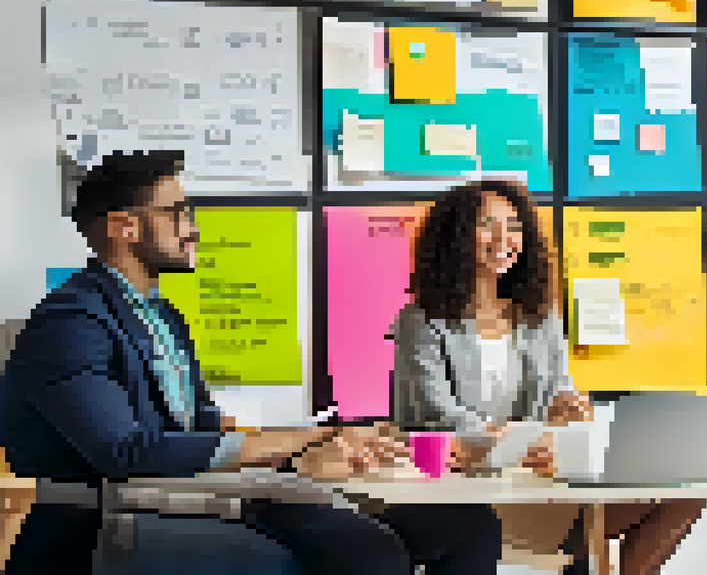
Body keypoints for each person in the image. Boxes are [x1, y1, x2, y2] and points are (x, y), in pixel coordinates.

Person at [0, 150, 505, 575]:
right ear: (124, 227)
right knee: (369, 550)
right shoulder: (70, 321)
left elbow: (200, 428)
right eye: (178, 211)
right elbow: (126, 454)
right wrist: (305, 442)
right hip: (113, 521)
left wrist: (314, 448)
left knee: (465, 521)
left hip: (200, 496)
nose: (192, 228)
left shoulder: (162, 317)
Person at [393, 179, 706, 575]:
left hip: (541, 484)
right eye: (487, 224)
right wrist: (515, 443)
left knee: (685, 495)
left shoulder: (539, 317)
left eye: (514, 226)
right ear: (454, 237)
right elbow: (437, 413)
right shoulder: (421, 321)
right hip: (464, 492)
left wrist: (569, 409)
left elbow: (558, 386)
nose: (504, 238)